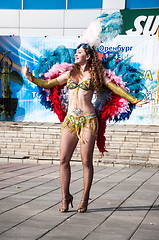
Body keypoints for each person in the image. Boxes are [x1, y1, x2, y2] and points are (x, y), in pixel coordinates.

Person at [23, 43, 148, 213]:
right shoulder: (70, 73)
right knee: (63, 160)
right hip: (70, 121)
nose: (76, 54)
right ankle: (65, 197)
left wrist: (134, 100)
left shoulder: (97, 75)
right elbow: (48, 84)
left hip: (88, 121)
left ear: (88, 56)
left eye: (79, 52)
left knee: (86, 161)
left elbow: (116, 88)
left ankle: (84, 199)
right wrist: (30, 76)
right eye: (76, 52)